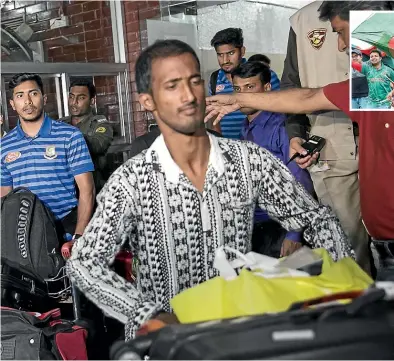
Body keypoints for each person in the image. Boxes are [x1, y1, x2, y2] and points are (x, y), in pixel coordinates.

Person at [67, 39, 352, 340]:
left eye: (194, 82)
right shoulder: (131, 181)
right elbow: (84, 263)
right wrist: (147, 314)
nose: (189, 95)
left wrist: (346, 291)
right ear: (147, 101)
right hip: (167, 345)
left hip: (235, 333)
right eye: (172, 86)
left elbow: (317, 219)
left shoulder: (248, 161)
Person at [205, 1, 394, 281]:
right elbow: (305, 97)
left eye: (342, 32)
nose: (342, 46)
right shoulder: (371, 93)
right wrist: (239, 99)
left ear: (376, 29)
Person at [279, 0, 371, 274]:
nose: (342, 44)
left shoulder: (377, 7)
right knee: (348, 247)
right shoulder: (303, 20)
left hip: (380, 143)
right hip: (332, 148)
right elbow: (291, 86)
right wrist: (295, 133)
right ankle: (364, 311)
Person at [1, 73, 95, 249]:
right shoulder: (4, 146)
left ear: (44, 98)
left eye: (33, 93)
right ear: (12, 104)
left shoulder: (70, 136)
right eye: (20, 96)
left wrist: (79, 236)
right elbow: (4, 197)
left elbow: (87, 190)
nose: (27, 101)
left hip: (66, 232)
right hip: (25, 237)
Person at [232, 61, 314, 257]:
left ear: (267, 88)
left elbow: (301, 181)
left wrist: (294, 235)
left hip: (279, 228)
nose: (242, 95)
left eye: (250, 87)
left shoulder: (281, 127)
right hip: (254, 225)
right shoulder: (245, 127)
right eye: (237, 89)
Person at [60, 78, 113, 192]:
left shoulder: (99, 123)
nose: (74, 102)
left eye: (81, 97)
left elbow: (98, 145)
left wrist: (66, 137)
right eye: (71, 97)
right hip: (65, 190)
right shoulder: (61, 123)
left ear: (92, 101)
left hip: (91, 188)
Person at [208, 28, 247, 139]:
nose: (225, 60)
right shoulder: (214, 79)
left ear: (242, 51)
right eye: (220, 55)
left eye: (230, 53)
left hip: (259, 148)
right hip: (229, 148)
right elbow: (214, 116)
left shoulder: (262, 74)